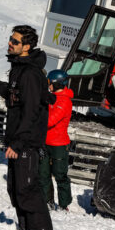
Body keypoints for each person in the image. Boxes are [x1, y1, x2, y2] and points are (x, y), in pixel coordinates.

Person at [0, 25, 54, 230]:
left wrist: (19, 143)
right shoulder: (19, 68)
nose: (10, 43)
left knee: (27, 189)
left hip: (27, 143)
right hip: (19, 140)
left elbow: (30, 111)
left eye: (15, 41)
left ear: (26, 47)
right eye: (11, 39)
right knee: (16, 188)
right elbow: (14, 96)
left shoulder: (30, 73)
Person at [39, 69, 73, 211]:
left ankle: (64, 205)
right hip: (45, 143)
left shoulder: (64, 101)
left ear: (58, 84)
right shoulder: (52, 96)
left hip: (59, 145)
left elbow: (50, 120)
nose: (49, 86)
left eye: (50, 83)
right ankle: (48, 201)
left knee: (60, 175)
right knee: (43, 174)